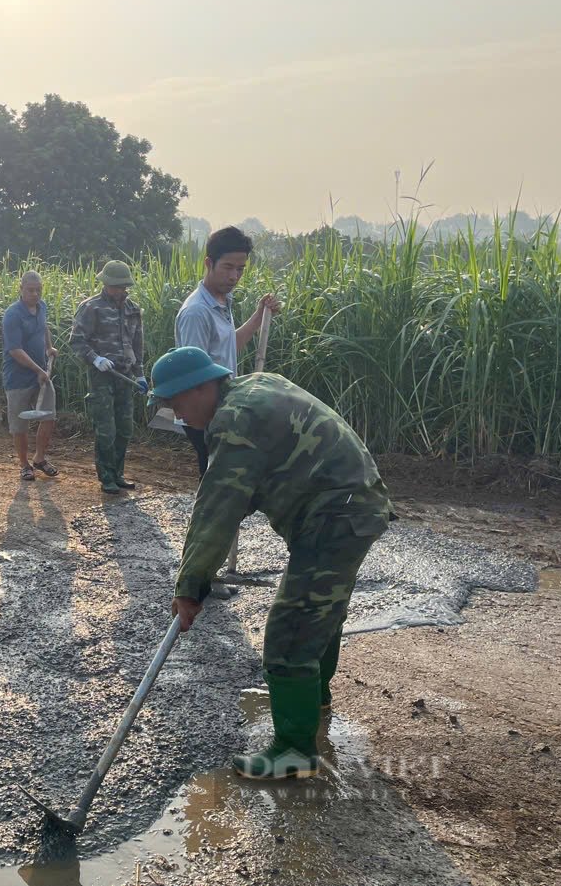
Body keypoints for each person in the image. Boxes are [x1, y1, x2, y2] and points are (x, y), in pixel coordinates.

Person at [149, 346, 393, 781]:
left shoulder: (234, 419)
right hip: (352, 505)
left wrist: (189, 586)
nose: (178, 415)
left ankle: (295, 752)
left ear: (203, 386)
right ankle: (311, 699)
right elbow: (239, 492)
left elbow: (219, 505)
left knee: (291, 628)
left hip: (336, 514)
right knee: (320, 611)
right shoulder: (256, 388)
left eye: (176, 402)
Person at [175, 226, 280, 477]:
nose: (234, 276)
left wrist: (258, 317)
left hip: (222, 409)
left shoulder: (221, 302)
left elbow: (227, 348)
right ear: (209, 263)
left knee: (220, 483)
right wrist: (214, 418)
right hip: (203, 413)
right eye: (228, 267)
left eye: (241, 269)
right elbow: (194, 377)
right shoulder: (197, 312)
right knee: (215, 482)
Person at [69, 260, 147, 494]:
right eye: (115, 286)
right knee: (106, 429)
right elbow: (76, 340)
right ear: (106, 284)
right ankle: (106, 477)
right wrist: (95, 359)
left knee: (124, 428)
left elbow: (137, 344)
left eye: (123, 286)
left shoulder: (133, 309)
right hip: (102, 376)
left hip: (125, 376)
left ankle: (118, 473)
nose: (120, 290)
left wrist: (140, 374)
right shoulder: (91, 308)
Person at [2, 271, 60, 481]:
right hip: (18, 378)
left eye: (38, 290)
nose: (35, 294)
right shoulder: (13, 314)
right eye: (30, 290)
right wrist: (38, 370)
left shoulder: (41, 306)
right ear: (21, 289)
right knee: (20, 425)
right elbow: (15, 350)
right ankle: (24, 465)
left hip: (42, 375)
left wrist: (49, 347)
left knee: (48, 416)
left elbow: (43, 326)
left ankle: (39, 458)